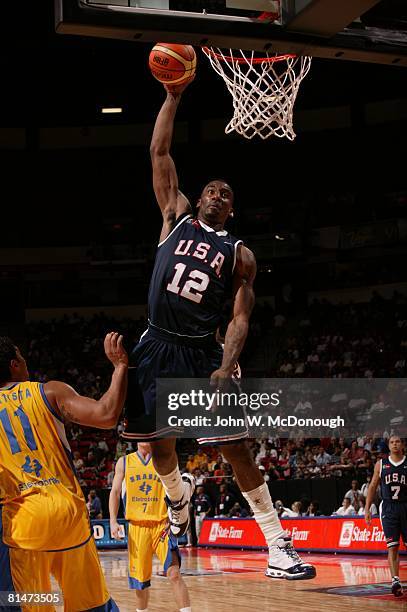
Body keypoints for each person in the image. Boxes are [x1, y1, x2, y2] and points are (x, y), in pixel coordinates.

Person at [122, 80, 316, 581]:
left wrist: (227, 366)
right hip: (154, 344)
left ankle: (277, 545)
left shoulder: (240, 254)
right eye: (210, 189)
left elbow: (240, 317)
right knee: (158, 445)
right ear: (198, 197)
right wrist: (172, 95)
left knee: (235, 447)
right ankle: (176, 497)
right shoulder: (174, 216)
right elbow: (159, 149)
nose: (216, 195)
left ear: (231, 209)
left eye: (225, 194)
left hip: (199, 356)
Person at [0, 333, 127, 611]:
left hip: (23, 526)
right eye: (21, 357)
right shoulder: (49, 392)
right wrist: (119, 368)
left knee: (27, 603)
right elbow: (106, 415)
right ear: (14, 364)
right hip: (68, 516)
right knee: (91, 605)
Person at [109, 443, 191, 612]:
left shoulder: (163, 459)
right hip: (137, 527)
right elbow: (115, 492)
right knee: (141, 583)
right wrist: (113, 521)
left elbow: (176, 490)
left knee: (174, 574)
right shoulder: (124, 462)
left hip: (162, 526)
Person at [366, 434, 407, 597]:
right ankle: (395, 580)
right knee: (393, 546)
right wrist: (367, 509)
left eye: (397, 442)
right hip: (389, 507)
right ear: (388, 446)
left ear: (402, 445)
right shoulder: (381, 464)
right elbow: (372, 487)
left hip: (405, 505)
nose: (395, 444)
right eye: (392, 442)